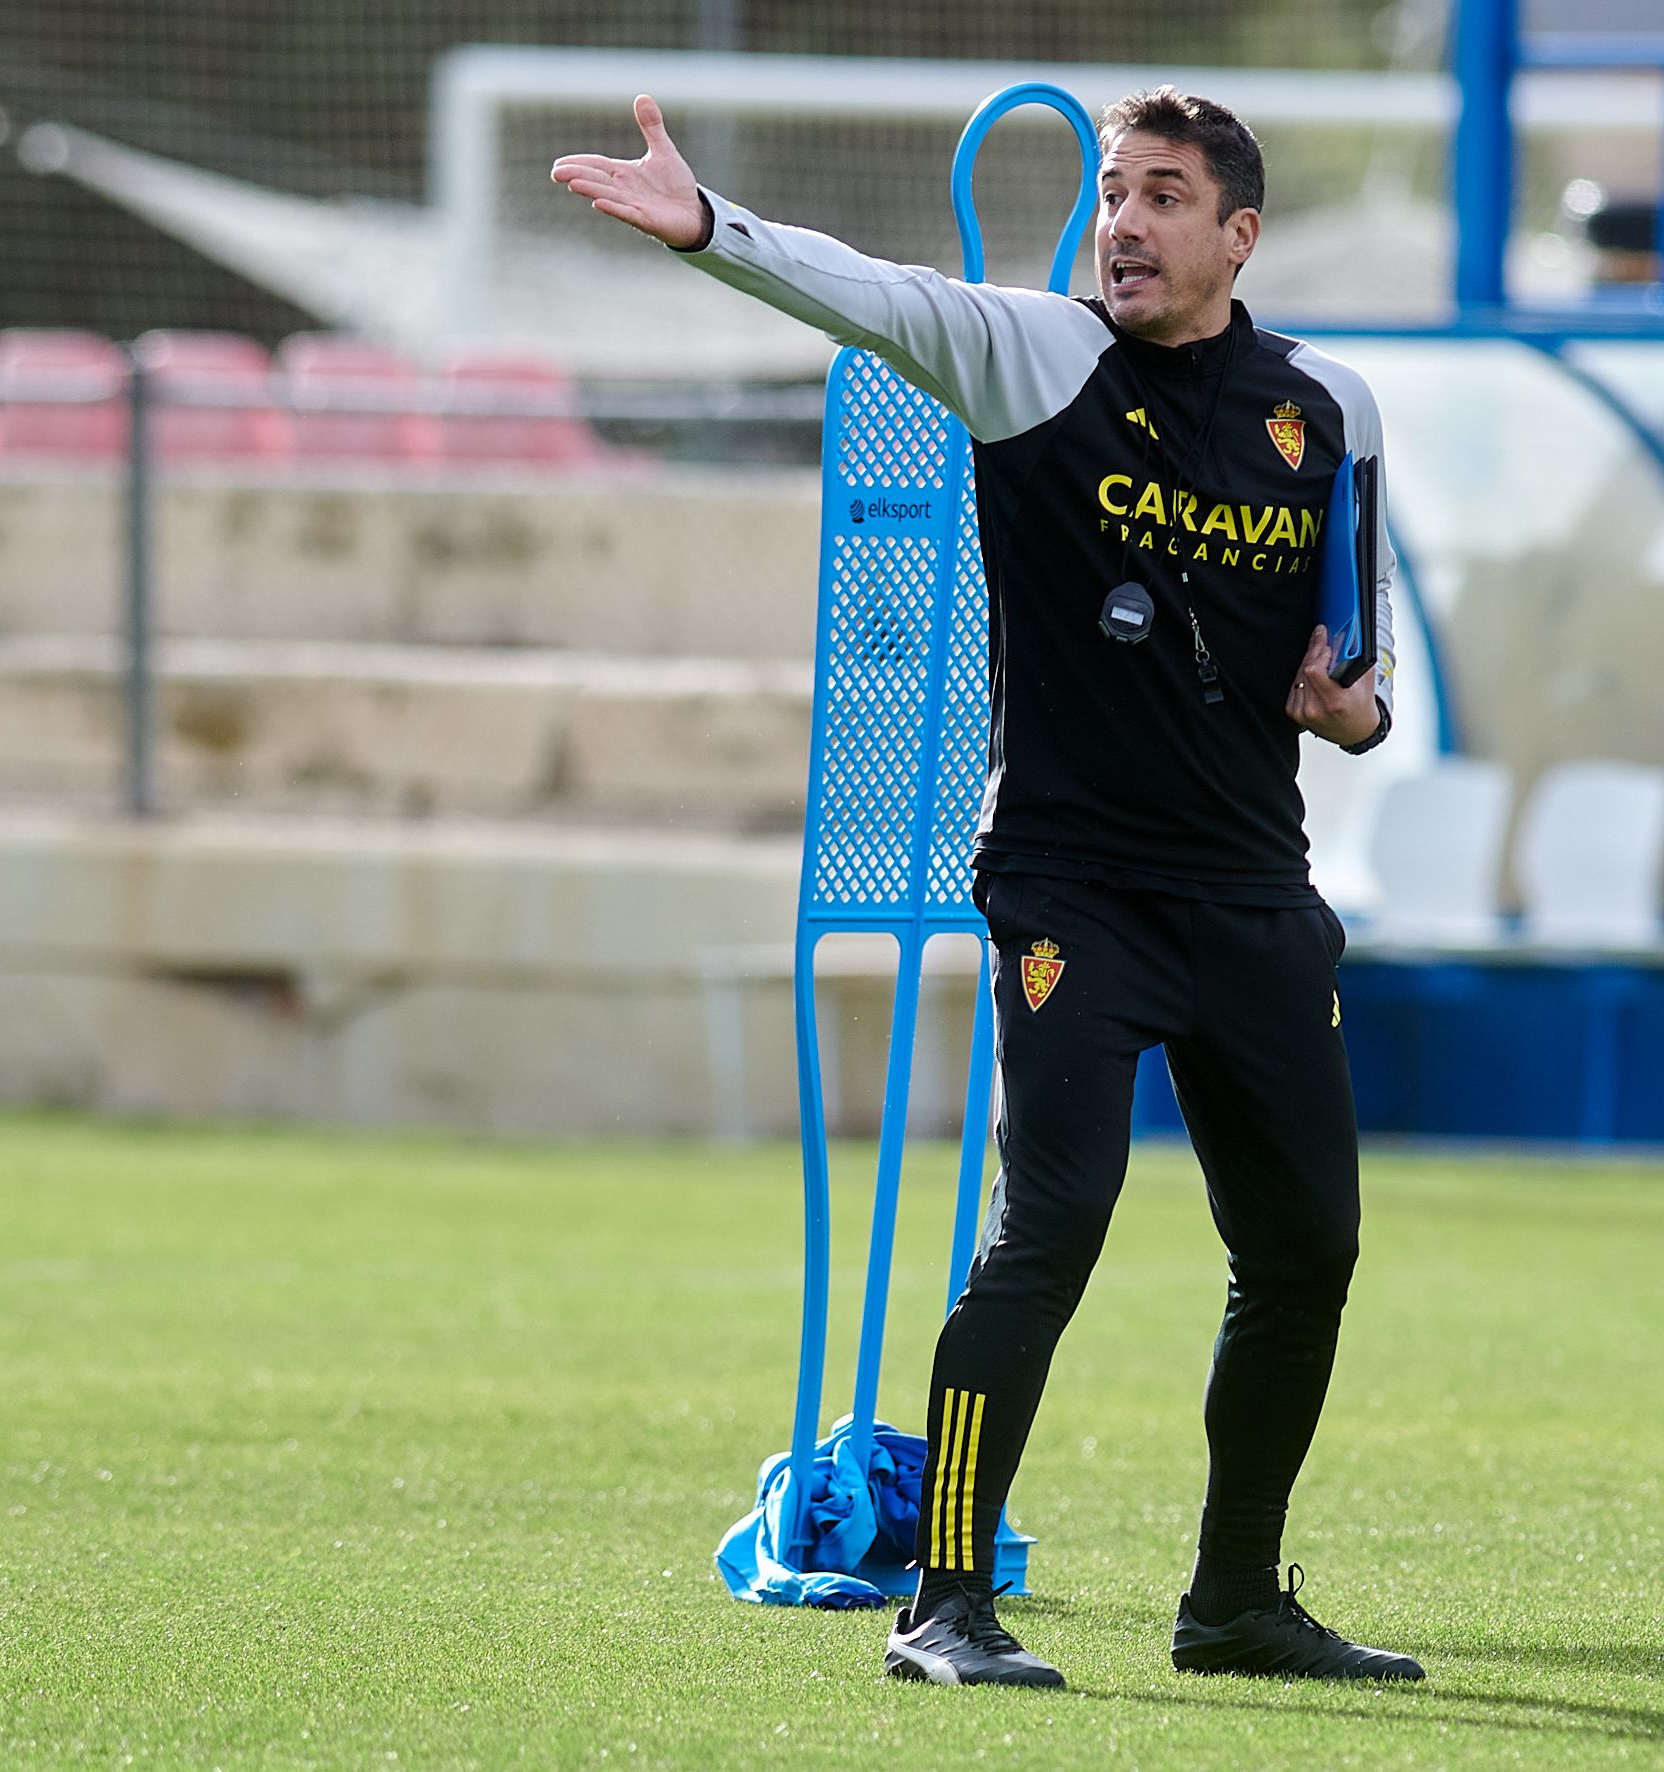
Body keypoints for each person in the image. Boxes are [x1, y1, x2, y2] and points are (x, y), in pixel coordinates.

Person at [554, 84, 1420, 1690]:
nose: (1125, 223)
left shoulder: (1329, 404)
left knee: (1305, 1251)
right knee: (1048, 1237)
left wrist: (1353, 704)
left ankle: (1233, 1600)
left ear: (1239, 236)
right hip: (1071, 889)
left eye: (1165, 197)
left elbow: (1362, 645)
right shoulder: (1032, 355)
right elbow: (868, 291)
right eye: (1113, 192)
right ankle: (943, 1600)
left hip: (1251, 894)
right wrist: (706, 229)